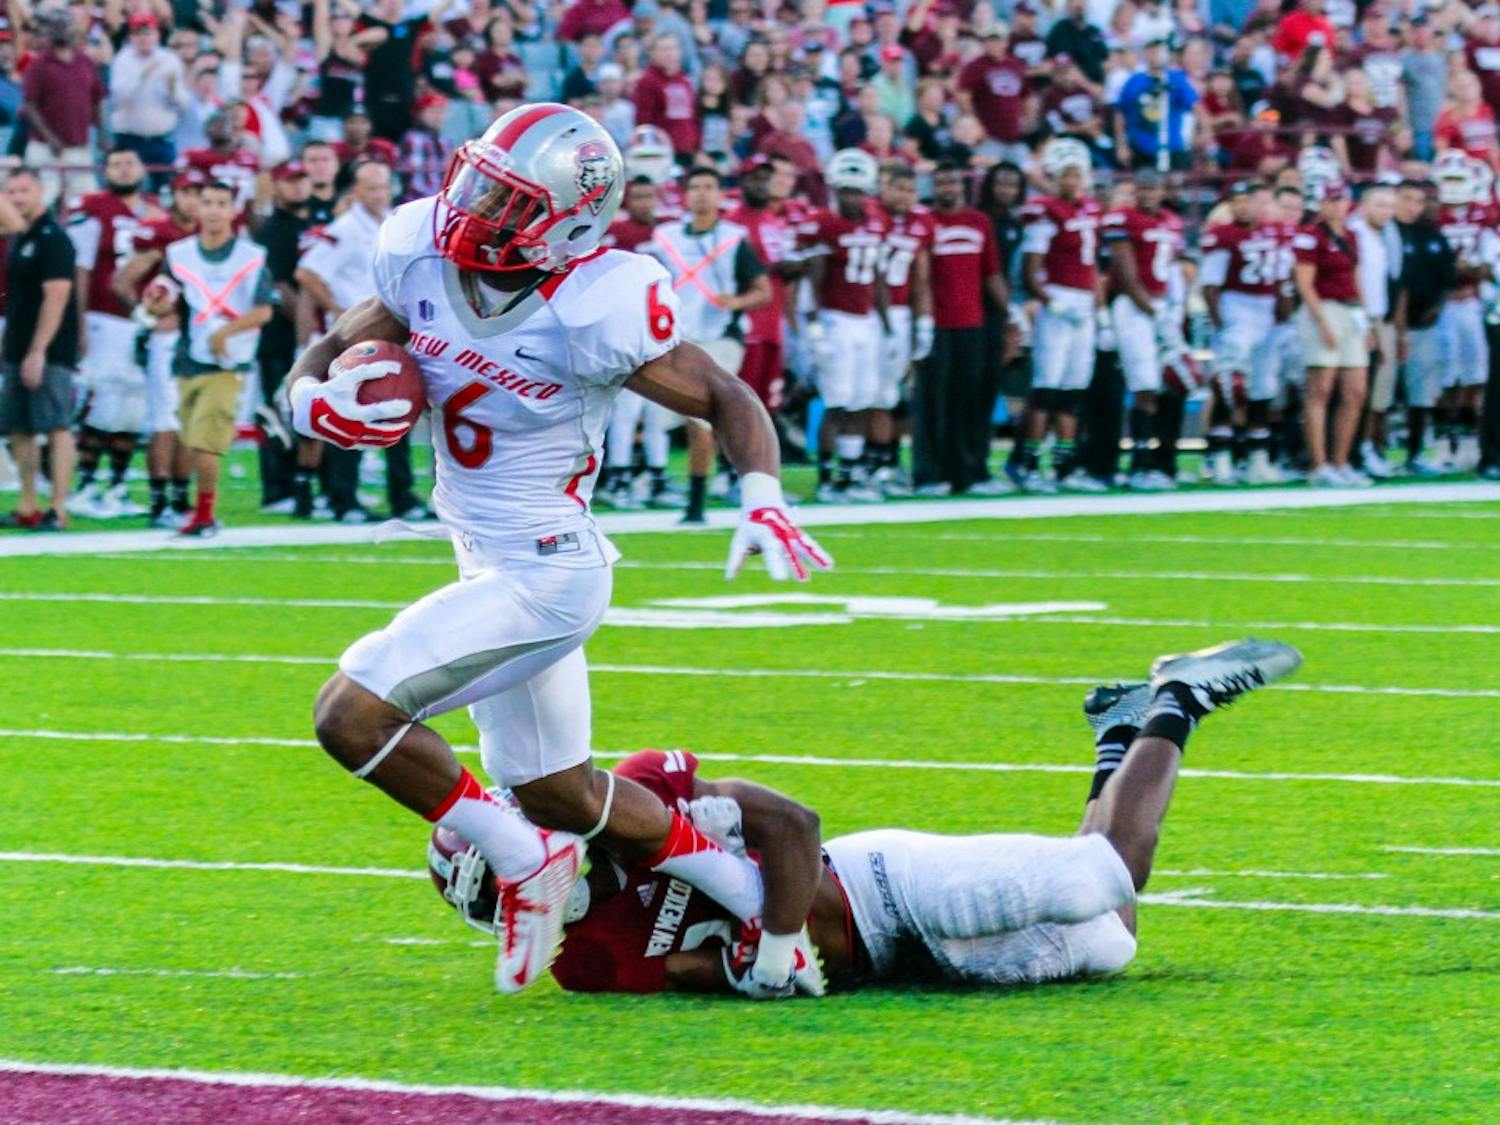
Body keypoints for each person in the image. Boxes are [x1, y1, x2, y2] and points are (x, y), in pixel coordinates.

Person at [285, 104, 833, 999]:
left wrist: (761, 495)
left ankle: (520, 856)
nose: (470, 211)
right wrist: (309, 402)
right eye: (476, 184)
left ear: (566, 220)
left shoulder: (594, 302)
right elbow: (333, 343)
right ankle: (760, 913)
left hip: (547, 571)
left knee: (350, 714)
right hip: (484, 555)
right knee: (560, 791)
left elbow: (727, 393)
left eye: (503, 202)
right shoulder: (419, 246)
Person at [427, 639, 1303, 995]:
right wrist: (741, 969)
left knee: (1106, 877)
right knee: (1112, 940)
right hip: (887, 970)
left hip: (882, 890)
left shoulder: (639, 792)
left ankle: (1178, 698)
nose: (522, 905)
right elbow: (695, 971)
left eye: (506, 885)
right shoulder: (580, 961)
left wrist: (771, 935)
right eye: (496, 907)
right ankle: (1117, 731)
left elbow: (795, 826)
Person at [296, 160, 423, 523]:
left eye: (383, 187)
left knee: (400, 411)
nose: (379, 195)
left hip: (392, 331)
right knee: (350, 415)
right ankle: (343, 498)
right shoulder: (344, 229)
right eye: (371, 188)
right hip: (357, 340)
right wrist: (338, 310)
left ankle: (403, 496)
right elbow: (307, 272)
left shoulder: (395, 224)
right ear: (355, 192)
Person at [645, 166, 771, 522]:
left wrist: (736, 302)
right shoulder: (666, 237)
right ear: (685, 195)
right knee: (675, 418)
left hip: (720, 337)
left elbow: (762, 290)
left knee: (698, 416)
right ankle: (719, 482)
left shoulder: (733, 239)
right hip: (678, 337)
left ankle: (697, 503)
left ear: (720, 196)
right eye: (695, 186)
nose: (701, 193)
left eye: (709, 187)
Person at [160, 180, 275, 536]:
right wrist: (154, 304)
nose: (212, 210)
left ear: (232, 210)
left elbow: (263, 311)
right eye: (207, 202)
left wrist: (225, 332)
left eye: (221, 203)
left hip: (228, 361)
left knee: (205, 440)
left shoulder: (251, 257)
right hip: (188, 355)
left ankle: (205, 513)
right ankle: (187, 506)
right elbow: (166, 296)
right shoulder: (179, 253)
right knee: (190, 436)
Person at [64, 147, 166, 520]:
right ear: (104, 170)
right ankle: (87, 484)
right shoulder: (93, 208)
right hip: (104, 317)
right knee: (104, 400)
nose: (124, 170)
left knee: (134, 407)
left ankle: (118, 486)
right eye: (116, 164)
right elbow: (79, 268)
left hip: (144, 320)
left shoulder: (156, 210)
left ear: (142, 168)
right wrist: (77, 322)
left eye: (130, 162)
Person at [113, 170, 204, 528]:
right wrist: (146, 319)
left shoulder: (209, 238)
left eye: (200, 193)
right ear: (173, 196)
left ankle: (181, 500)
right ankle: (159, 501)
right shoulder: (161, 236)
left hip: (200, 339)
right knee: (165, 421)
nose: (193, 201)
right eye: (187, 192)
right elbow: (122, 282)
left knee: (190, 422)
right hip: (168, 340)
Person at [912, 163, 1008, 496]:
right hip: (937, 324)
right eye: (941, 182)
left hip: (973, 323)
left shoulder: (979, 222)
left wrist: (1011, 316)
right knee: (933, 402)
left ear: (962, 184)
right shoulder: (925, 222)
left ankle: (972, 472)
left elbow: (991, 272)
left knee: (972, 401)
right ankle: (930, 474)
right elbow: (920, 275)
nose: (947, 188)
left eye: (952, 180)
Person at [801, 148, 890, 502]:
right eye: (846, 191)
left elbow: (879, 279)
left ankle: (849, 475)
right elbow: (812, 281)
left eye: (858, 191)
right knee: (836, 402)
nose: (852, 197)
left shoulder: (874, 221)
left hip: (865, 320)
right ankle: (826, 479)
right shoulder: (825, 223)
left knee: (861, 402)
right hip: (836, 319)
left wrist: (888, 326)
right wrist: (814, 327)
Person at [1017, 138, 1102, 493]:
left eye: (1075, 174)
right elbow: (1030, 268)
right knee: (1046, 389)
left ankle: (1065, 466)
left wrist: (1099, 307)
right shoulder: (1045, 210)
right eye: (1065, 174)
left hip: (1083, 301)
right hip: (1058, 301)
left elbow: (1093, 263)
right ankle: (1030, 464)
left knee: (1072, 390)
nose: (1071, 181)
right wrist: (1051, 302)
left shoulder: (1090, 209)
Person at [0, 167, 78, 530]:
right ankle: (28, 502)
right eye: (11, 191)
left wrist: (39, 350)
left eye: (24, 190)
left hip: (49, 347)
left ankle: (58, 507)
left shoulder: (53, 238)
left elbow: (57, 296)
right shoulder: (22, 237)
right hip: (17, 343)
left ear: (41, 192)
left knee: (57, 424)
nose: (17, 198)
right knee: (19, 426)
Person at [1199, 181, 1287, 485]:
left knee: (1263, 385)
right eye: (1237, 201)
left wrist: (1281, 309)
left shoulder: (1275, 232)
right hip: (1236, 305)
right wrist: (1219, 321)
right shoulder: (1222, 236)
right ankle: (1220, 457)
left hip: (1266, 308)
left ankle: (1257, 458)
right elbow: (1209, 284)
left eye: (1248, 200)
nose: (1244, 207)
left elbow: (1281, 277)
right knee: (1229, 383)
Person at [1102, 168, 1184, 491]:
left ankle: (1162, 463)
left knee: (1174, 382)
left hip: (1163, 305)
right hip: (1134, 308)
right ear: (1136, 190)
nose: (1149, 194)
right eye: (1144, 188)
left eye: (1154, 188)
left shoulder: (1170, 221)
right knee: (1144, 384)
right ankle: (1138, 465)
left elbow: (1173, 269)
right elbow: (1126, 272)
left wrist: (1174, 309)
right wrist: (1153, 311)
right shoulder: (1123, 219)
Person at [1293, 179, 1370, 488]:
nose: (1338, 205)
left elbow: (1355, 277)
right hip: (1323, 308)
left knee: (1355, 391)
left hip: (1349, 311)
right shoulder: (1310, 236)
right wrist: (1322, 322)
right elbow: (1304, 283)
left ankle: (1341, 461)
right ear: (1321, 204)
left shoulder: (1350, 235)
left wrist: (1365, 320)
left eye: (1341, 199)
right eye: (1332, 200)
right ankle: (1319, 463)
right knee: (1320, 389)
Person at [253, 161, 312, 514]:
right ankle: (276, 489)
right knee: (278, 412)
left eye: (301, 180)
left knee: (302, 410)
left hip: (304, 333)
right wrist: (305, 321)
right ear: (275, 187)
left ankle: (301, 484)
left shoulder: (311, 223)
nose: (298, 187)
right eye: (290, 182)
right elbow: (280, 285)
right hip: (278, 334)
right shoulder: (272, 229)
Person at [871, 165, 934, 496]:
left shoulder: (920, 222)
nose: (905, 196)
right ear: (885, 187)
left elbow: (921, 276)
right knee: (876, 393)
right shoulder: (873, 217)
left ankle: (891, 462)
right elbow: (876, 275)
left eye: (911, 190)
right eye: (900, 188)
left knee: (897, 393)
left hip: (903, 312)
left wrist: (923, 322)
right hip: (872, 313)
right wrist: (886, 325)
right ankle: (876, 464)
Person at [1432, 153, 1494, 472]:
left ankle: (1468, 440)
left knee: (1475, 374)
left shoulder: (1483, 215)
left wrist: (1476, 269)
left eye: (1459, 180)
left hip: (1472, 302)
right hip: (1441, 305)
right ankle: (1442, 440)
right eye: (1449, 180)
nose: (1453, 188)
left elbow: (1490, 263)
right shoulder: (1432, 215)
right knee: (1444, 375)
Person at [1392, 177, 1454, 477]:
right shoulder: (1387, 233)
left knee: (1421, 392)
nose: (1415, 207)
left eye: (1420, 200)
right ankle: (1370, 449)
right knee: (1382, 394)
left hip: (1424, 325)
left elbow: (1446, 279)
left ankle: (1415, 452)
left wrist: (1437, 308)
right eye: (1409, 199)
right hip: (1390, 325)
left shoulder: (1431, 236)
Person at [20, 10, 106, 207]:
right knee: (40, 202)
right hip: (45, 148)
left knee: (83, 203)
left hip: (78, 147)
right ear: (49, 32)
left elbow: (96, 100)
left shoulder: (85, 61)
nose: (62, 30)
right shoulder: (39, 65)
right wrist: (50, 138)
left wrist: (102, 134)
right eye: (56, 27)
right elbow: (30, 105)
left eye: (66, 25)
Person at [1347, 183, 1399, 480]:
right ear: (1364, 205)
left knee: (1373, 390)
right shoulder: (1356, 234)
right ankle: (1351, 453)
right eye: (1380, 205)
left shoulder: (1382, 235)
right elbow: (1353, 280)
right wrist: (1364, 321)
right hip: (1359, 316)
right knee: (1355, 391)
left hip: (1377, 315)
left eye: (1390, 206)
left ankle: (1363, 448)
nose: (1386, 212)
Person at [109, 12, 189, 186]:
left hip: (161, 139)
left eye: (148, 33)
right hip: (130, 138)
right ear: (131, 36)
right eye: (138, 33)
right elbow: (120, 98)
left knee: (166, 187)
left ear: (157, 35)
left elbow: (182, 103)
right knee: (130, 186)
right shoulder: (123, 60)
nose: (143, 38)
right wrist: (142, 76)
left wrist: (172, 89)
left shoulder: (169, 60)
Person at [1114, 36, 1202, 172]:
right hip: (1142, 149)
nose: (1155, 54)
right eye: (1151, 50)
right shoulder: (1134, 81)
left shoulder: (1176, 79)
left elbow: (1196, 107)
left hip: (1173, 147)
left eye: (1159, 50)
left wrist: (1201, 134)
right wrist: (1121, 146)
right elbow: (1120, 114)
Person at [956, 27, 1034, 166]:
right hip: (989, 137)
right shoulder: (976, 66)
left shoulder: (1015, 65)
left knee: (1027, 172)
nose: (994, 45)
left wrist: (1028, 118)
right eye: (990, 41)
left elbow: (1027, 95)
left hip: (1014, 137)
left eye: (998, 40)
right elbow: (963, 96)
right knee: (988, 176)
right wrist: (976, 124)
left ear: (1006, 42)